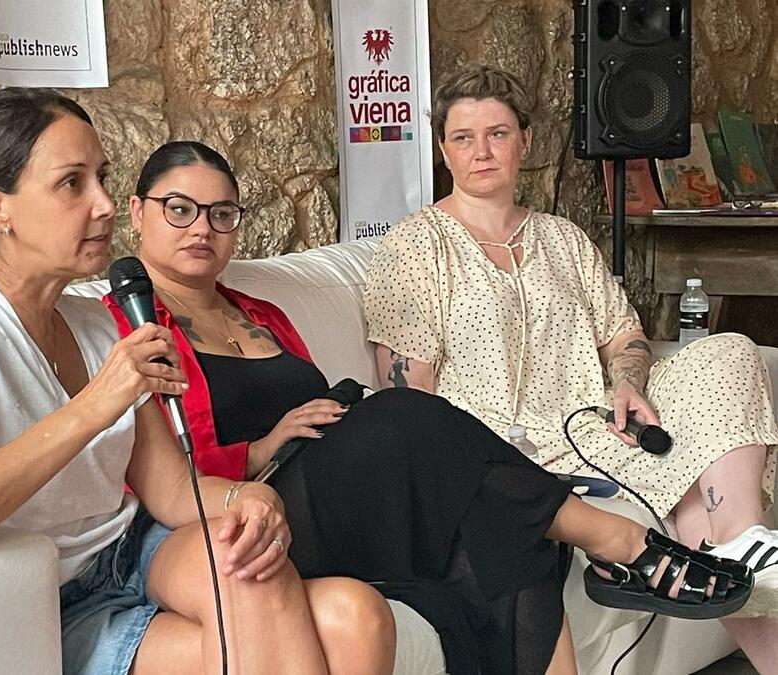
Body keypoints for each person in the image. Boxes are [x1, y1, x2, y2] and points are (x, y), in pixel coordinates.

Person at [105, 140, 753, 675]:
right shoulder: (127, 324)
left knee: (499, 519)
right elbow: (155, 470)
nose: (203, 229)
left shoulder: (260, 312)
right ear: (137, 211)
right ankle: (619, 540)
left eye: (222, 214)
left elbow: (318, 403)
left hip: (336, 484)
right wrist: (261, 447)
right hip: (251, 501)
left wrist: (327, 411)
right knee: (403, 413)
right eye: (181, 209)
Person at [0, 88, 398, 675]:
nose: (102, 204)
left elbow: (172, 491)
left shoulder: (97, 323)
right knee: (323, 615)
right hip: (47, 598)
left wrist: (248, 495)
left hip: (133, 552)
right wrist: (92, 407)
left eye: (101, 177)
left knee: (304, 586)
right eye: (72, 183)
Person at [363, 63, 778, 671]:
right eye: (463, 137)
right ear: (443, 151)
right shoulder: (412, 249)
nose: (482, 151)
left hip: (599, 432)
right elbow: (411, 403)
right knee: (691, 498)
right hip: (504, 454)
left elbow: (626, 336)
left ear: (525, 142)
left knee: (728, 350)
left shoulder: (564, 239)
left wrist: (628, 382)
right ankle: (738, 553)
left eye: (498, 134)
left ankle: (744, 541)